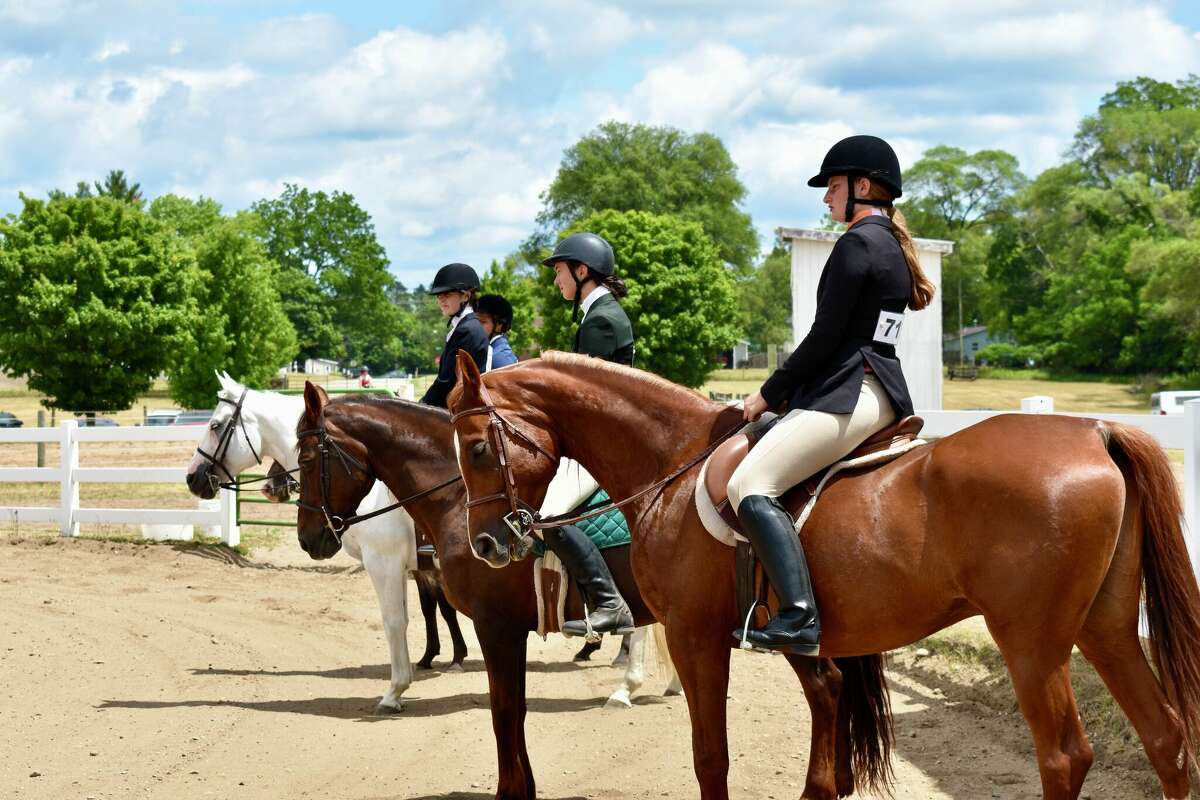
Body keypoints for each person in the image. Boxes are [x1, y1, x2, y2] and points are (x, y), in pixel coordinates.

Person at [725, 135, 936, 655]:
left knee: (749, 485)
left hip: (852, 389)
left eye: (833, 187)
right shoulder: (889, 245)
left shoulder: (858, 244)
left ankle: (798, 615)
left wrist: (766, 395)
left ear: (862, 187)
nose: (825, 199)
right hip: (881, 388)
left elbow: (824, 338)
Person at [537, 232, 636, 637]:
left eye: (559, 272)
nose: (556, 281)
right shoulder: (598, 314)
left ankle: (608, 600)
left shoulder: (601, 322)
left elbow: (586, 405)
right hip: (601, 437)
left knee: (546, 515)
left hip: (601, 446)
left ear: (582, 271)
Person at [420, 263, 488, 408]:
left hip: (463, 409)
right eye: (439, 296)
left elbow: (446, 381)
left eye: (447, 294)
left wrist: (422, 406)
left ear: (465, 296)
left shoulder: (467, 330)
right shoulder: (465, 326)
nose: (441, 300)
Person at [475, 294, 518, 371]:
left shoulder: (500, 358)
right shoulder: (489, 352)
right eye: (475, 321)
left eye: (482, 322)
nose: (476, 326)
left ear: (499, 325)